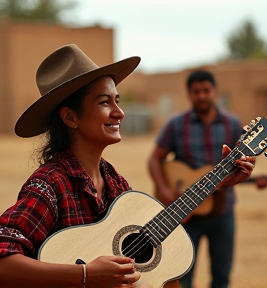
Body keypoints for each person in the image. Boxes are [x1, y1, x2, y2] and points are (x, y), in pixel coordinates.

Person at [0, 46, 254, 288]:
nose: (119, 112)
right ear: (70, 117)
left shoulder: (115, 182)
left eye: (117, 100)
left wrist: (216, 183)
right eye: (104, 102)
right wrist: (86, 275)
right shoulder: (50, 184)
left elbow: (146, 240)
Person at [148, 70, 256, 288]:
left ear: (214, 91)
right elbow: (154, 159)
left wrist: (246, 167)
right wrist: (165, 190)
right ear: (189, 94)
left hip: (223, 210)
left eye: (206, 90)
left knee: (222, 276)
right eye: (196, 91)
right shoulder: (176, 124)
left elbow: (245, 160)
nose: (202, 96)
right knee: (182, 276)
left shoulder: (232, 124)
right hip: (185, 213)